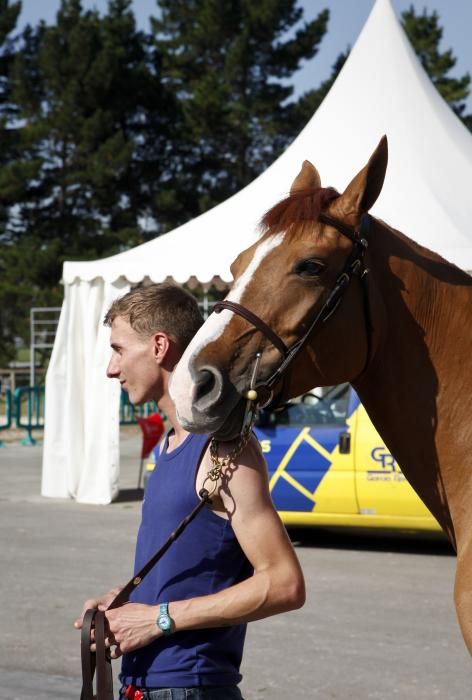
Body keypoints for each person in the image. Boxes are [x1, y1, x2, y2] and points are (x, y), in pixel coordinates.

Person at [75, 283, 305, 700]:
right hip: (144, 684)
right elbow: (193, 572)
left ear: (160, 346)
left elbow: (284, 583)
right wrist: (126, 604)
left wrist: (158, 618)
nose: (111, 368)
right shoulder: (169, 446)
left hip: (190, 688)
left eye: (119, 349)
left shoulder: (223, 448)